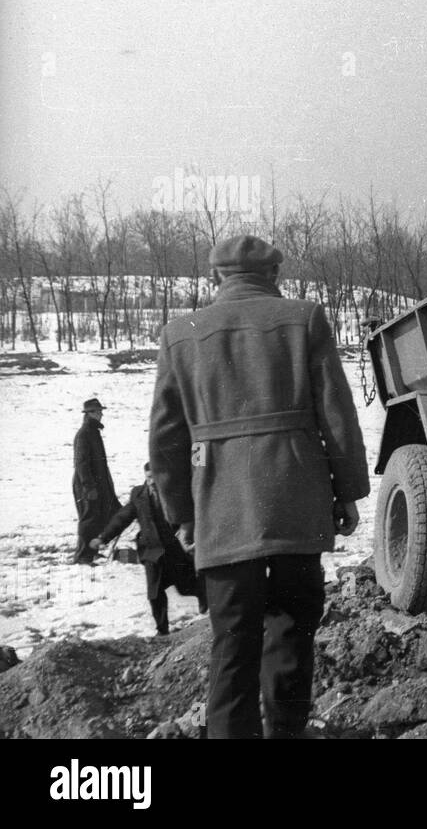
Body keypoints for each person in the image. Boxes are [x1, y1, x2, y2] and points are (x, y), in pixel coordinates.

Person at [149, 234, 370, 739]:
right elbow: (337, 414)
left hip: (223, 512)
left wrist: (182, 515)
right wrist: (347, 491)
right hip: (294, 501)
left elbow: (164, 439)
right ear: (274, 275)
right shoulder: (305, 318)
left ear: (215, 279)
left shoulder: (180, 333)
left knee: (231, 647)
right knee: (292, 635)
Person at [90, 463, 206, 636]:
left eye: (154, 477)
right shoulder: (139, 494)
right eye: (148, 477)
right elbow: (123, 517)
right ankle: (162, 630)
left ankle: (204, 598)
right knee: (155, 592)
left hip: (174, 550)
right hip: (151, 550)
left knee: (186, 586)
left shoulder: (173, 492)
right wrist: (103, 537)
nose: (151, 481)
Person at [72, 398, 120, 565]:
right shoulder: (84, 433)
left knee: (98, 517)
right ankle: (82, 556)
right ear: (89, 414)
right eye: (98, 411)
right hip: (87, 484)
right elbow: (81, 463)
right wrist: (89, 486)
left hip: (97, 483)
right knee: (89, 518)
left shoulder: (93, 432)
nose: (101, 414)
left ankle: (91, 552)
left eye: (100, 411)